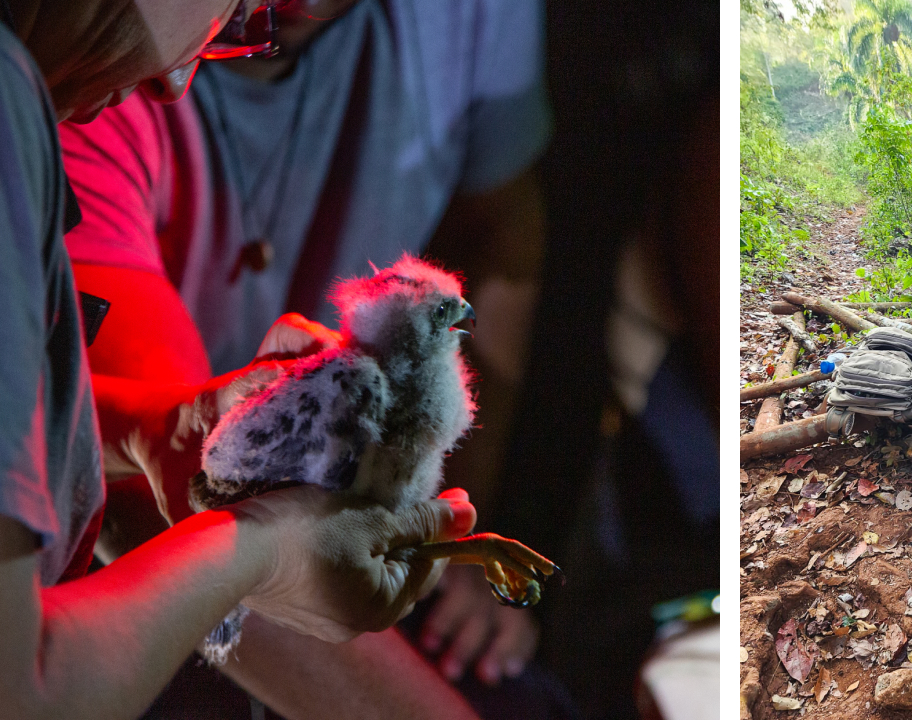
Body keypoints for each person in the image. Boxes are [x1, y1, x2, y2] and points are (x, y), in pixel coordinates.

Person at [58, 0, 558, 715]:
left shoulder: (461, 18)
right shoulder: (96, 71)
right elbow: (167, 501)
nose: (175, 81)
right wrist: (263, 547)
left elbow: (506, 229)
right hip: (188, 580)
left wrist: (464, 545)